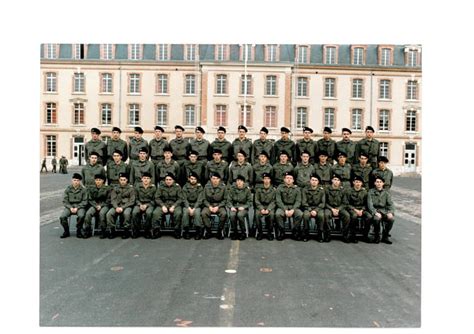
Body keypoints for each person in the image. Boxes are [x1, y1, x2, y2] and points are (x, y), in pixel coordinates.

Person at [152, 172, 183, 239]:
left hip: (174, 204)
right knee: (156, 213)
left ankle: (177, 230)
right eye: (167, 179)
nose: (168, 181)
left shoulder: (177, 187)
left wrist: (174, 206)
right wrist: (162, 205)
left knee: (178, 213)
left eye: (170, 179)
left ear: (173, 180)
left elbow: (180, 198)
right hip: (163, 204)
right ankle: (156, 230)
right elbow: (157, 197)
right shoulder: (161, 187)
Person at [106, 173, 136, 239]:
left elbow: (132, 201)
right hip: (116, 206)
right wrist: (116, 207)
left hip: (127, 206)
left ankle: (126, 230)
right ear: (119, 180)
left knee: (127, 213)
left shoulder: (131, 189)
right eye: (121, 180)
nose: (122, 181)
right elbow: (113, 199)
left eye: (124, 180)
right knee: (109, 213)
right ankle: (112, 230)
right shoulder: (115, 188)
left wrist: (122, 208)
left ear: (127, 180)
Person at [200, 172, 228, 239]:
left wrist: (218, 206)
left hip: (219, 205)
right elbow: (204, 199)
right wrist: (209, 206)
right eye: (213, 178)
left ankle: (219, 231)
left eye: (216, 179)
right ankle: (208, 230)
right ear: (211, 179)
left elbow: (225, 199)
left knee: (224, 213)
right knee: (203, 213)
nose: (215, 180)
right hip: (209, 205)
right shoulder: (207, 186)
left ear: (219, 179)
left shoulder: (223, 187)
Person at [275, 171, 303, 241]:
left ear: (293, 180)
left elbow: (298, 201)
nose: (289, 179)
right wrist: (285, 210)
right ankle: (281, 231)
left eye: (290, 178)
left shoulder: (297, 189)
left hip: (293, 207)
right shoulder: (279, 188)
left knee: (299, 214)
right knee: (278, 214)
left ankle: (295, 231)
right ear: (284, 179)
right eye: (287, 178)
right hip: (283, 206)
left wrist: (293, 209)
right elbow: (278, 200)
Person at [368, 175, 395, 244]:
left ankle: (385, 235)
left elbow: (391, 204)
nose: (379, 183)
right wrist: (375, 212)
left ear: (383, 183)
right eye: (377, 182)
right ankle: (377, 235)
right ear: (374, 183)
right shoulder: (370, 192)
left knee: (391, 219)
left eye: (380, 182)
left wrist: (391, 212)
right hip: (375, 210)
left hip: (384, 210)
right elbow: (370, 204)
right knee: (376, 219)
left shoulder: (386, 193)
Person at [345, 175, 372, 243]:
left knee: (369, 216)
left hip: (362, 209)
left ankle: (365, 235)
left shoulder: (365, 192)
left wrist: (362, 210)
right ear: (353, 182)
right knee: (354, 216)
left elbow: (367, 204)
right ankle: (353, 235)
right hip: (352, 209)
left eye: (359, 182)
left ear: (362, 183)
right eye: (356, 182)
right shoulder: (349, 191)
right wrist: (355, 210)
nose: (358, 183)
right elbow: (346, 203)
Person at [59, 173, 87, 238]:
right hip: (69, 206)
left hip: (80, 206)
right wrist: (70, 207)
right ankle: (66, 231)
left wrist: (77, 207)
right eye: (74, 180)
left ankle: (79, 230)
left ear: (80, 181)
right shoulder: (68, 189)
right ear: (72, 180)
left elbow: (85, 201)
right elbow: (65, 200)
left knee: (81, 216)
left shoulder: (83, 190)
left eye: (77, 180)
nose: (76, 182)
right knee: (62, 217)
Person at [324, 174, 350, 242]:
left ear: (340, 182)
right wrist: (332, 209)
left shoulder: (343, 190)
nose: (336, 181)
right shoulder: (326, 189)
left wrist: (338, 209)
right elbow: (324, 202)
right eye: (335, 179)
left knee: (347, 216)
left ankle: (345, 235)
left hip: (340, 208)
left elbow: (345, 202)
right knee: (326, 215)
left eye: (338, 180)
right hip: (329, 208)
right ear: (332, 180)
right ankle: (328, 234)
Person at [84, 174, 111, 239]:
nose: (98, 181)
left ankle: (103, 230)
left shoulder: (107, 188)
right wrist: (96, 205)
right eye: (96, 180)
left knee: (102, 214)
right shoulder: (91, 188)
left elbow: (108, 199)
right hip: (95, 205)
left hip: (104, 205)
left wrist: (101, 206)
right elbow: (90, 199)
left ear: (103, 181)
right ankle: (87, 230)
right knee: (88, 214)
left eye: (100, 180)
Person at [131, 172, 156, 239]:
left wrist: (146, 205)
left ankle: (147, 231)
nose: (146, 180)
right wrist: (140, 205)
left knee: (149, 213)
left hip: (149, 204)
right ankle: (136, 230)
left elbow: (154, 200)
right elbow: (135, 198)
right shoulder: (137, 187)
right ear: (141, 179)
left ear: (150, 180)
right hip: (139, 203)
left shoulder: (153, 187)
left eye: (148, 178)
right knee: (134, 212)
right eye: (144, 178)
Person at [226, 175, 252, 240]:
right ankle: (235, 232)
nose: (239, 182)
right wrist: (231, 207)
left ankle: (243, 233)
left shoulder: (247, 190)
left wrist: (244, 207)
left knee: (240, 215)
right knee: (232, 215)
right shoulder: (232, 189)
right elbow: (229, 200)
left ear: (243, 182)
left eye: (240, 181)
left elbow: (250, 202)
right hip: (234, 206)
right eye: (237, 181)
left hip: (243, 207)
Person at [302, 173, 326, 242]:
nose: (314, 181)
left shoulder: (322, 190)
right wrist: (310, 210)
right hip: (308, 208)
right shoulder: (305, 189)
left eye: (316, 180)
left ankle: (320, 233)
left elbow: (322, 203)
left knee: (321, 216)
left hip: (318, 208)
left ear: (318, 182)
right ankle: (306, 233)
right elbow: (304, 202)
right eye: (312, 180)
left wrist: (316, 210)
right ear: (310, 181)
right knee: (306, 215)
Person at [182, 171, 204, 240]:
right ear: (189, 179)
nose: (193, 180)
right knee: (185, 213)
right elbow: (184, 199)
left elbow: (200, 200)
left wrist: (193, 209)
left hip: (196, 205)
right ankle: (186, 231)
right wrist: (188, 208)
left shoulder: (200, 187)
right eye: (191, 179)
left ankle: (198, 231)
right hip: (187, 205)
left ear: (197, 180)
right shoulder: (185, 187)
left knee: (197, 213)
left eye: (194, 179)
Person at [254, 173, 276, 240]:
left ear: (270, 180)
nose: (266, 180)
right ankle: (260, 232)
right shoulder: (258, 189)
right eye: (265, 179)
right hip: (261, 206)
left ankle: (269, 232)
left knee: (272, 215)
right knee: (257, 215)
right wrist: (261, 209)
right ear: (263, 180)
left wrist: (268, 209)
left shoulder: (274, 190)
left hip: (270, 207)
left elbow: (274, 201)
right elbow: (256, 200)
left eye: (268, 179)